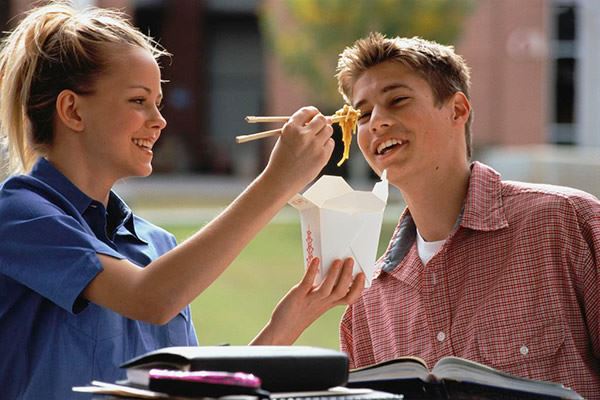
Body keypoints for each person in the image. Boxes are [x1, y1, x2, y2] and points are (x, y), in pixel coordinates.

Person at [0, 3, 365, 399]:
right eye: (139, 101)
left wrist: (290, 320)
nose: (159, 120)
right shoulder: (18, 216)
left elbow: (193, 391)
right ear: (72, 110)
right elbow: (149, 298)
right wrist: (276, 182)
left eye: (157, 101)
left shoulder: (157, 247)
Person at [335, 32, 600, 398]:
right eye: (363, 114)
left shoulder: (567, 222)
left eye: (397, 100)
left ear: (457, 109)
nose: (377, 122)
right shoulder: (366, 303)